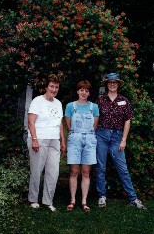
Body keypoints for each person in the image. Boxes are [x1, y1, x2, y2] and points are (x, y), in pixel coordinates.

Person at [96, 73, 146, 209]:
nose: (112, 84)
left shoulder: (124, 101)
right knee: (100, 167)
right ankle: (102, 196)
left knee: (122, 168)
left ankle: (132, 198)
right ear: (107, 84)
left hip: (117, 137)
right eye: (110, 82)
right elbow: (95, 119)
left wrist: (123, 140)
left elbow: (127, 121)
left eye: (115, 82)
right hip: (101, 135)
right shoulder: (100, 100)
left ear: (118, 85)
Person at [27, 74, 66, 211]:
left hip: (54, 140)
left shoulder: (58, 103)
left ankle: (48, 201)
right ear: (46, 87)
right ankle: (33, 199)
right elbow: (31, 121)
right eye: (51, 86)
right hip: (39, 139)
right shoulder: (37, 101)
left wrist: (62, 140)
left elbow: (60, 124)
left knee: (53, 172)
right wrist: (35, 140)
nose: (54, 89)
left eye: (56, 87)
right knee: (37, 170)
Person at [65, 80, 99, 211]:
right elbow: (68, 124)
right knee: (74, 171)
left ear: (89, 93)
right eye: (81, 90)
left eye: (86, 90)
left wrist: (87, 134)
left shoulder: (94, 107)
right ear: (77, 91)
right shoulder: (70, 106)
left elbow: (94, 125)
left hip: (89, 140)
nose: (84, 92)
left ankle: (84, 201)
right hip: (75, 139)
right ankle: (72, 200)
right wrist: (76, 134)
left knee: (86, 172)